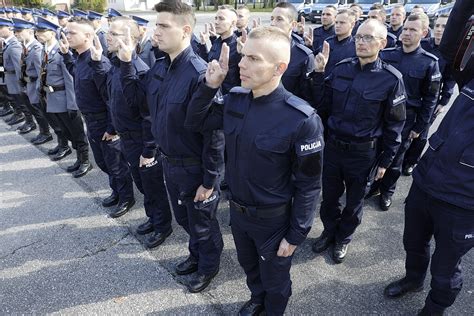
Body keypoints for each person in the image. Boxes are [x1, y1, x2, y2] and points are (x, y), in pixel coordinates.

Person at [186, 25, 324, 316]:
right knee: (250, 267)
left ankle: (272, 308)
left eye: (254, 59)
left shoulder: (301, 119)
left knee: (275, 279)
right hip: (238, 212)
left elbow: (309, 185)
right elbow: (195, 121)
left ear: (279, 68)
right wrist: (209, 86)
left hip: (273, 221)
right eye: (244, 55)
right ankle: (256, 298)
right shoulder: (236, 98)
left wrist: (296, 234)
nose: (242, 64)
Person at [120, 0, 224, 293]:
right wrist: (127, 62)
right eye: (157, 25)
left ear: (185, 30)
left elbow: (214, 136)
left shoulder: (199, 73)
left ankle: (208, 266)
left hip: (193, 165)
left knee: (202, 221)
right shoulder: (161, 67)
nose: (157, 31)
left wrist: (210, 180)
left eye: (164, 25)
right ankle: (196, 255)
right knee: (185, 218)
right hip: (170, 161)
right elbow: (139, 104)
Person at [384, 1, 473, 314]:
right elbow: (450, 49)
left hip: (465, 202)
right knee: (414, 243)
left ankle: (434, 308)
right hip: (426, 182)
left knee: (446, 269)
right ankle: (413, 278)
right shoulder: (471, 79)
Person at [310, 19, 406, 263]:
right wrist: (319, 74)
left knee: (354, 203)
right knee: (329, 197)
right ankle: (329, 231)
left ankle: (343, 238)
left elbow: (394, 125)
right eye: (359, 37)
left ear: (382, 43)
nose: (361, 42)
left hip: (363, 154)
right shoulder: (341, 68)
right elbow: (322, 106)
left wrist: (385, 161)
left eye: (368, 38)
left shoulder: (391, 79)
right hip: (334, 148)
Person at [90, 15, 173, 248]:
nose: (108, 36)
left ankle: (162, 225)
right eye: (109, 31)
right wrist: (97, 63)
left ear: (131, 39)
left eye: (114, 33)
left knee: (153, 186)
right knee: (142, 184)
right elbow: (110, 98)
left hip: (141, 140)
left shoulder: (139, 70)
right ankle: (152, 218)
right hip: (126, 138)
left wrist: (148, 150)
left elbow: (148, 117)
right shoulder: (116, 65)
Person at [60, 17, 136, 210]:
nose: (67, 36)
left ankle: (126, 197)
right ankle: (116, 191)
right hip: (91, 121)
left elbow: (110, 99)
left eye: (71, 33)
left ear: (87, 36)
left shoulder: (98, 62)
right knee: (104, 163)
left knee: (116, 164)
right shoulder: (79, 58)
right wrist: (66, 56)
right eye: (67, 32)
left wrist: (112, 128)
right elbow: (76, 74)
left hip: (103, 122)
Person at [368, 13, 441, 211]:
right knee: (376, 153)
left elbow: (430, 99)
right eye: (406, 29)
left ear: (424, 33)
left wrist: (419, 126)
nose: (407, 33)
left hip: (406, 119)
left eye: (413, 30)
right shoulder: (387, 54)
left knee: (395, 160)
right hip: (381, 116)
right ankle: (374, 185)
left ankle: (387, 192)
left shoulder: (429, 62)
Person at [402, 14, 456, 176]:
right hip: (414, 95)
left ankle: (410, 162)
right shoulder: (424, 44)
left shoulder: (450, 51)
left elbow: (450, 78)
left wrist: (444, 100)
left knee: (420, 133)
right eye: (438, 26)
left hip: (431, 99)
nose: (440, 30)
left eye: (444, 27)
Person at [34, 17, 90, 166]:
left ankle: (84, 161)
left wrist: (73, 105)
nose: (38, 34)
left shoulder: (61, 51)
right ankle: (78, 158)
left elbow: (70, 80)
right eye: (37, 31)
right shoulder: (45, 50)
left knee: (76, 132)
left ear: (52, 33)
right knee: (65, 131)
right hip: (52, 98)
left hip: (65, 100)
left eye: (41, 31)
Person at [12, 18, 53, 144]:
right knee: (36, 111)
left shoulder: (36, 50)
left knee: (39, 111)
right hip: (28, 85)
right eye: (15, 31)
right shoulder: (26, 47)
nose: (16, 33)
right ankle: (43, 131)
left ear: (30, 32)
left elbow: (41, 74)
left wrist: (39, 91)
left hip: (35, 86)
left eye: (20, 31)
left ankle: (45, 133)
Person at [270, 2, 314, 101]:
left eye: (279, 19)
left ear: (293, 24)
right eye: (272, 19)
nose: (273, 23)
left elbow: (307, 97)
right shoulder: (262, 49)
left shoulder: (304, 56)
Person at [198, 5, 240, 94]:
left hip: (229, 99)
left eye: (221, 18)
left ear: (233, 23)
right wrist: (203, 44)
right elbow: (206, 63)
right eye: (216, 18)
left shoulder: (238, 47)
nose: (216, 22)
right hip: (212, 95)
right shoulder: (217, 41)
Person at [320, 9, 356, 76]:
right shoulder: (328, 42)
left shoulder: (356, 46)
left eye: (342, 23)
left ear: (352, 24)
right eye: (336, 22)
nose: (338, 25)